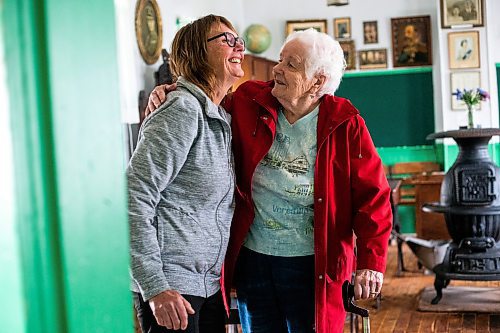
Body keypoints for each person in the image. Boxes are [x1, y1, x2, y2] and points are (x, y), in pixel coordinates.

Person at [147, 28, 392, 333]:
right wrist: (172, 91)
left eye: (291, 64)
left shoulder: (346, 123)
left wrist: (371, 261)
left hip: (315, 265)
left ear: (318, 81)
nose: (277, 69)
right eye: (280, 60)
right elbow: (203, 106)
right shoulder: (248, 100)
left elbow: (374, 198)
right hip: (255, 260)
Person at [128, 14, 245, 333]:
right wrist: (155, 288)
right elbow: (133, 198)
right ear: (196, 52)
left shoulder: (217, 114)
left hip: (205, 285)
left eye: (240, 40)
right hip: (171, 288)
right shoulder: (182, 110)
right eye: (227, 39)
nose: (239, 47)